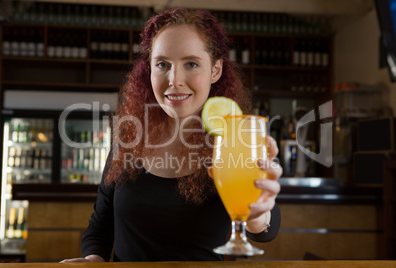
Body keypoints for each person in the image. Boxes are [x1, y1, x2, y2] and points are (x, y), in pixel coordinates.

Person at [61, 7, 282, 263]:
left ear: (215, 70)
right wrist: (93, 259)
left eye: (191, 64)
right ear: (150, 70)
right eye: (162, 64)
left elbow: (266, 230)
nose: (174, 80)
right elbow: (100, 224)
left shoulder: (232, 141)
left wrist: (257, 216)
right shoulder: (129, 137)